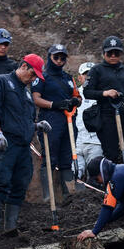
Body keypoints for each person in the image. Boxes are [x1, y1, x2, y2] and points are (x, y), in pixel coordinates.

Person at [0, 54, 48, 235]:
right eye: (33, 74)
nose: (34, 79)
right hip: (5, 143)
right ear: (24, 66)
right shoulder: (1, 82)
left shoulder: (26, 93)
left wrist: (36, 126)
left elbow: (24, 120)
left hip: (23, 146)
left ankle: (10, 226)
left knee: (20, 183)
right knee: (1, 180)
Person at [82, 35, 124, 165]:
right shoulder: (96, 70)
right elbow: (87, 92)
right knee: (111, 154)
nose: (113, 56)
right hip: (107, 114)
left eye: (116, 53)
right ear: (104, 53)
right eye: (109, 52)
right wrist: (105, 93)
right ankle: (112, 183)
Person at [32, 44, 82, 200]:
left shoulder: (68, 78)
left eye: (62, 58)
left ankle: (68, 193)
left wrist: (76, 101)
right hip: (50, 118)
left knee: (67, 156)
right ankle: (48, 195)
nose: (59, 60)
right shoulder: (42, 77)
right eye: (56, 57)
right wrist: (54, 104)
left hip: (68, 119)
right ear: (50, 57)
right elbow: (36, 99)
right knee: (50, 156)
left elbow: (78, 96)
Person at [75, 62, 103, 179]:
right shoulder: (74, 94)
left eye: (92, 74)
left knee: (95, 176)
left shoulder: (102, 94)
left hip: (95, 142)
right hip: (75, 142)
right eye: (86, 74)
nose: (89, 77)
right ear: (79, 77)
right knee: (75, 174)